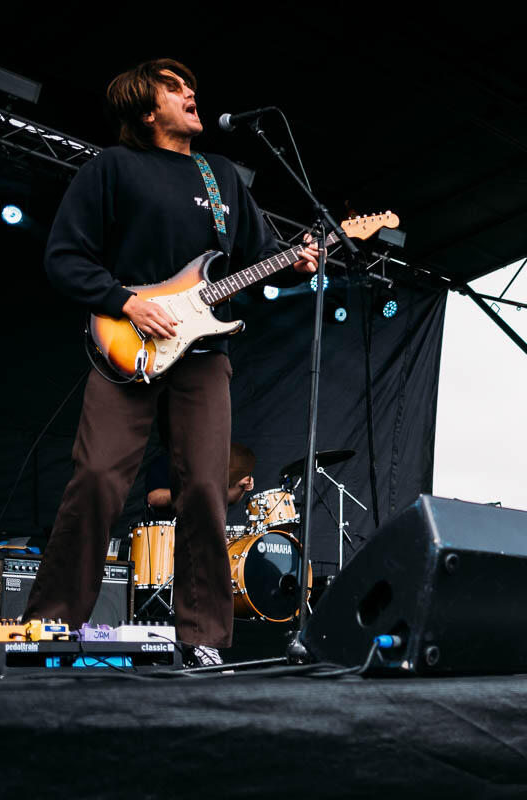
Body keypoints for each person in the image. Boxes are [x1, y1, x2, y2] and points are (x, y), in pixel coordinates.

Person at [23, 59, 318, 667]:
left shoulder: (224, 179)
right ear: (147, 108)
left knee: (207, 490)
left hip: (204, 354)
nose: (191, 92)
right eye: (174, 86)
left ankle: (202, 636)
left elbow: (257, 257)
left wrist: (297, 260)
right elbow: (64, 257)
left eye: (190, 85)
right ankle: (49, 626)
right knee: (99, 478)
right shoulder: (112, 168)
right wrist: (126, 301)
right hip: (126, 344)